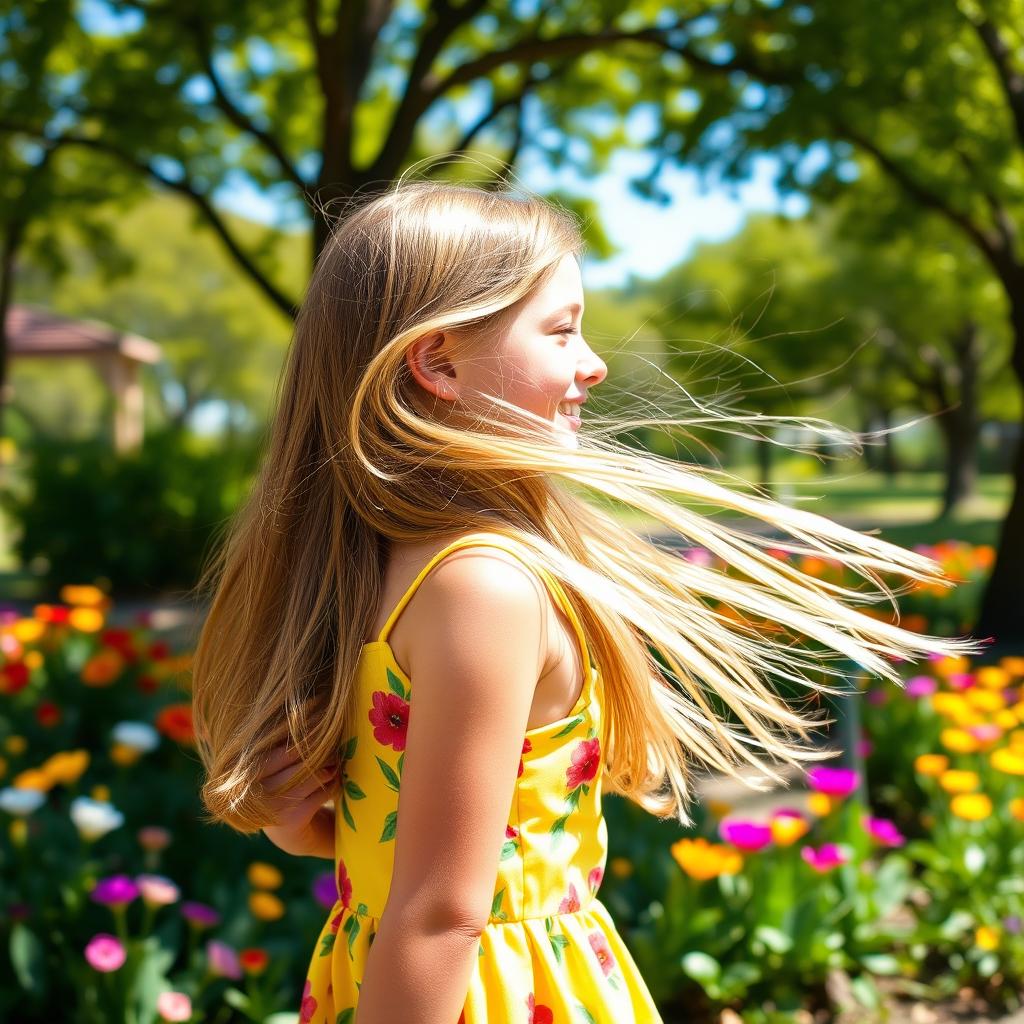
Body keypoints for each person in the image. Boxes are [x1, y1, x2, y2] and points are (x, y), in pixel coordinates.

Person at [189, 178, 983, 1023]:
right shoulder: (440, 580)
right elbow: (422, 890)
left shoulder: (471, 584)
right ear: (439, 362)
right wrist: (293, 823)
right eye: (562, 330)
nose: (594, 363)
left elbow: (442, 910)